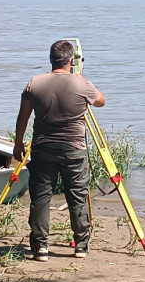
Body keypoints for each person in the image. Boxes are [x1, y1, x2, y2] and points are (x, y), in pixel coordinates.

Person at [14, 40, 105, 261]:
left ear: (51, 59)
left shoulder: (35, 83)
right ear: (71, 61)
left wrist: (18, 143)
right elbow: (101, 101)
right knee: (77, 196)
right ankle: (81, 246)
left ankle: (40, 247)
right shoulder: (81, 83)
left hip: (43, 147)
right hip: (74, 148)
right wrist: (80, 78)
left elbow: (23, 117)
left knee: (41, 197)